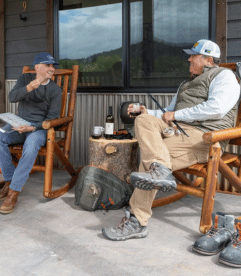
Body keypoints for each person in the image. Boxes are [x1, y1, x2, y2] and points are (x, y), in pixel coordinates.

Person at [102, 39, 240, 241]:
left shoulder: (224, 76)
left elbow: (216, 109)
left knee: (149, 162)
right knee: (144, 121)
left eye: (194, 55)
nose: (189, 59)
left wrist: (176, 116)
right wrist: (146, 111)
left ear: (209, 59)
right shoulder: (187, 83)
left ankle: (137, 220)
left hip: (205, 137)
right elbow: (167, 113)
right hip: (179, 131)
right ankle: (160, 170)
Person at [0, 52, 62, 214]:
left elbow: (52, 118)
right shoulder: (24, 79)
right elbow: (12, 97)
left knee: (30, 146)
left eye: (53, 66)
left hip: (38, 128)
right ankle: (9, 180)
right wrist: (30, 87)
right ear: (37, 67)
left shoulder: (55, 90)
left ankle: (13, 192)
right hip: (19, 125)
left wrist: (32, 128)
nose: (52, 69)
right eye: (48, 65)